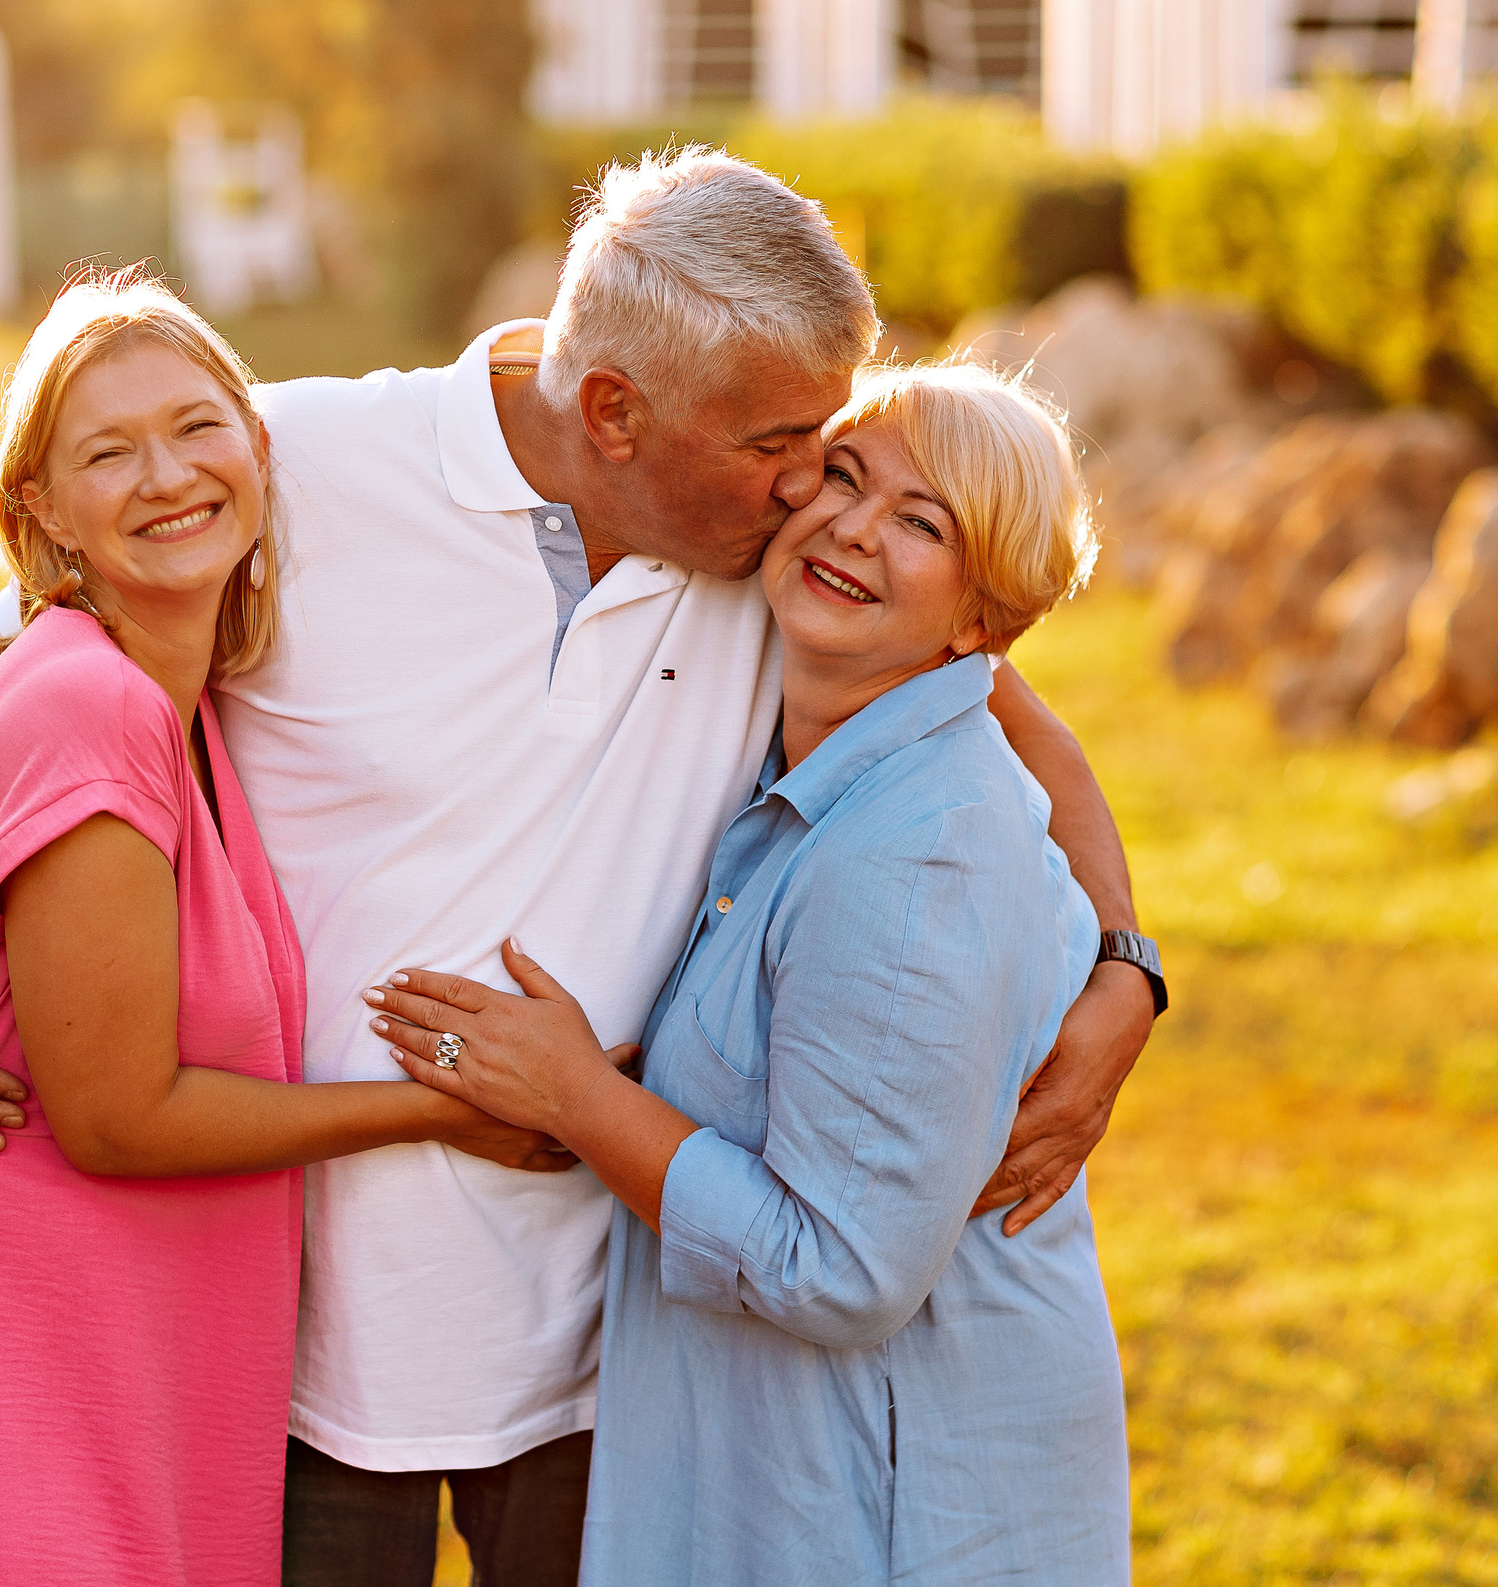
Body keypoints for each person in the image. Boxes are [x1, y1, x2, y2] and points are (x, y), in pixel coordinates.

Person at [0, 150, 1164, 1587]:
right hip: (313, 1345)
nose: (811, 483)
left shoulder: (781, 554)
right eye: (777, 440)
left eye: (822, 439)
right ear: (616, 413)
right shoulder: (298, 466)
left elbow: (1007, 711)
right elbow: (10, 632)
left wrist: (1126, 967)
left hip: (622, 1344)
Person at [0, 275, 566, 1586]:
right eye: (107, 451)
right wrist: (448, 1106)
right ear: (43, 514)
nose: (166, 473)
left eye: (196, 426)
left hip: (63, 1354)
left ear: (257, 444)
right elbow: (120, 1114)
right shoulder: (94, 709)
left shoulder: (180, 690)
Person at [369, 362, 1130, 1583]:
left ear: (980, 623)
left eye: (920, 522)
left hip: (902, 1496)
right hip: (787, 1464)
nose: (853, 528)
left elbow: (840, 1267)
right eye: (843, 476)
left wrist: (574, 1093)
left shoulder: (918, 848)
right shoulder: (812, 744)